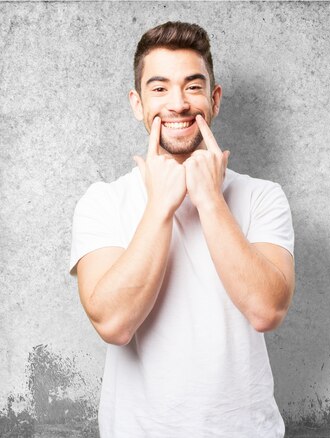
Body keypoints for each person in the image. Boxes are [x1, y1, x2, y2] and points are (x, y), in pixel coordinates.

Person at [69, 21, 295, 437]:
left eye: (193, 87)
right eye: (159, 89)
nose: (177, 104)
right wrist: (160, 206)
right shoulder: (102, 201)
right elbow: (114, 325)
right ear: (137, 104)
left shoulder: (263, 196)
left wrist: (209, 198)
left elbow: (267, 310)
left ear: (214, 99)